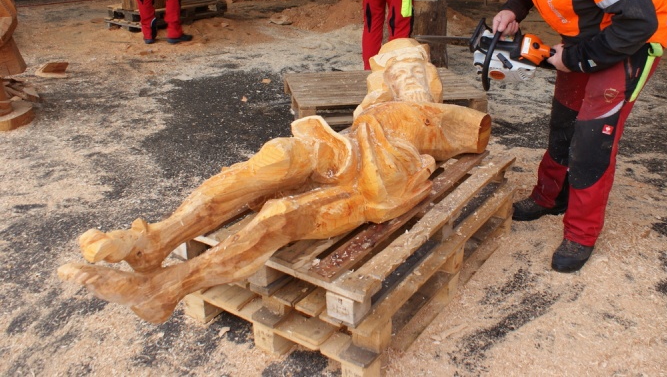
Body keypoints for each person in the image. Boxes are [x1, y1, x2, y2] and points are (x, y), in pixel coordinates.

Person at [58, 39, 490, 323]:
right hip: (343, 148)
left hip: (376, 181)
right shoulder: (375, 100)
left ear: (430, 74)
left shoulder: (448, 116)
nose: (406, 75)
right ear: (383, 75)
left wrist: (427, 146)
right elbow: (363, 118)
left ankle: (165, 289)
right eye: (396, 68)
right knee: (278, 156)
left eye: (414, 66)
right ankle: (156, 239)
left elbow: (474, 139)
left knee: (281, 214)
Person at [475, 0, 667, 273]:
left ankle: (581, 234)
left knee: (592, 139)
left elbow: (638, 22)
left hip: (630, 40)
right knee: (564, 123)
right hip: (584, 35)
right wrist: (512, 9)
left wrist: (575, 59)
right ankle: (550, 197)